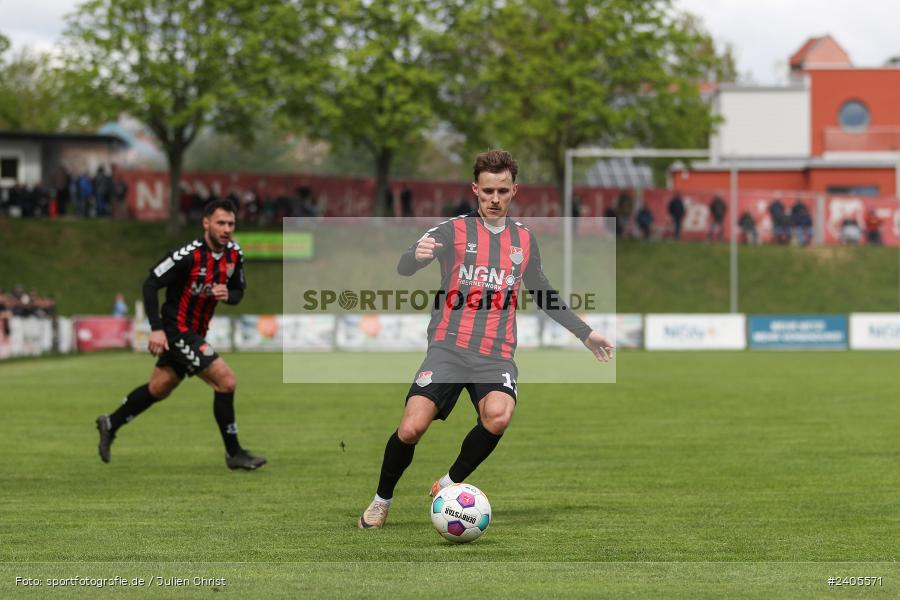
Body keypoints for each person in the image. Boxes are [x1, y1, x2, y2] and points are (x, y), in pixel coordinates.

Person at [357, 150, 615, 529]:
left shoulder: (524, 240)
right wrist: (416, 255)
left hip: (495, 354)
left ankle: (447, 484)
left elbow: (542, 291)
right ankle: (381, 500)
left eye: (503, 191)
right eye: (488, 191)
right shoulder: (451, 230)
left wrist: (585, 333)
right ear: (475, 189)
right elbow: (406, 265)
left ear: (514, 191)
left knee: (498, 417)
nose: (495, 199)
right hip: (448, 348)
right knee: (411, 428)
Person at [95, 199, 266, 470]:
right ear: (206, 223)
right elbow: (151, 283)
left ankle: (111, 422)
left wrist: (228, 295)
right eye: (221, 223)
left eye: (231, 224)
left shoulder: (235, 254)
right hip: (177, 330)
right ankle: (234, 453)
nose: (226, 229)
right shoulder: (187, 255)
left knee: (158, 388)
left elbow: (238, 292)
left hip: (197, 331)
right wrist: (157, 329)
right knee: (226, 381)